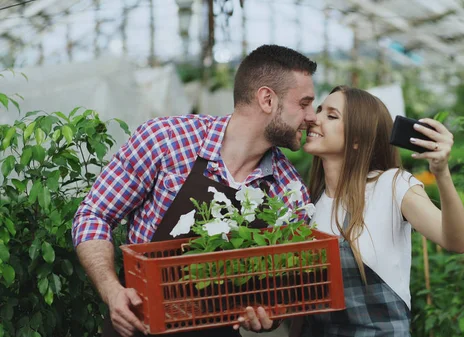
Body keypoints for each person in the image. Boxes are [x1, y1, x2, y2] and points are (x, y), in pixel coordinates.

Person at [72, 44, 318, 337]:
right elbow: (94, 214)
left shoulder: (289, 191)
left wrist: (271, 314)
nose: (312, 116)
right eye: (304, 103)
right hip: (139, 324)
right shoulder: (165, 140)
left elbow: (283, 290)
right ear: (267, 99)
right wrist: (112, 291)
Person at [241, 85, 464, 336]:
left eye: (331, 115)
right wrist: (269, 318)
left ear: (357, 139)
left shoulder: (391, 186)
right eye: (319, 110)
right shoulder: (306, 207)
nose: (313, 119)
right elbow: (302, 310)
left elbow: (455, 241)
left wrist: (441, 173)